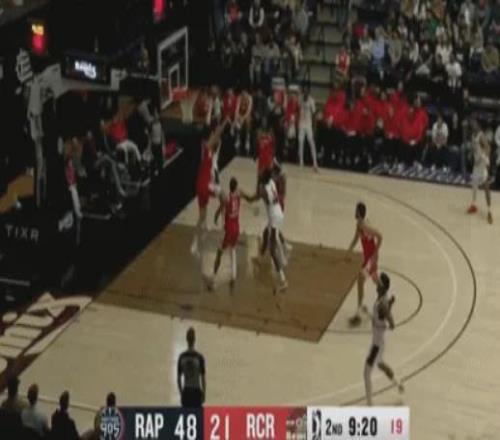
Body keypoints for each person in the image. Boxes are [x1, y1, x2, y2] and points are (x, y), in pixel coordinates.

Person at [364, 273, 404, 406]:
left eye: (379, 282)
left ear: (383, 287)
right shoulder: (382, 299)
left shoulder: (382, 303)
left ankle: (369, 405)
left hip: (376, 345)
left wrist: (387, 311)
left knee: (366, 373)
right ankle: (398, 383)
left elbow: (391, 324)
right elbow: (380, 318)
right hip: (378, 342)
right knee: (380, 365)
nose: (377, 284)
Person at [208, 177, 255, 292]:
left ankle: (213, 280)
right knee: (233, 249)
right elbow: (249, 198)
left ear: (229, 187)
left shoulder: (227, 198)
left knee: (219, 253)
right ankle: (233, 277)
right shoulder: (239, 194)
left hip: (228, 229)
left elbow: (219, 210)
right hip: (236, 228)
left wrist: (216, 217)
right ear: (236, 186)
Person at [191, 119, 229, 258]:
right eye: (212, 135)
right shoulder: (206, 146)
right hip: (205, 184)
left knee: (202, 217)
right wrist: (225, 122)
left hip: (201, 184)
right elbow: (217, 134)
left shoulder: (207, 148)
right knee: (225, 196)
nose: (214, 136)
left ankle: (195, 244)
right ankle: (224, 226)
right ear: (209, 136)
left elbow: (216, 139)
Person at [346, 202, 382, 327]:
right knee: (375, 279)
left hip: (371, 258)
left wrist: (375, 254)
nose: (354, 212)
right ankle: (385, 298)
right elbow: (356, 238)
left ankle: (359, 313)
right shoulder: (359, 224)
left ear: (359, 213)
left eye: (356, 210)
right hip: (367, 257)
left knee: (360, 280)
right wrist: (348, 251)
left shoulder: (365, 226)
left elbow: (380, 236)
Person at [257, 168, 288, 292]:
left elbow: (257, 196)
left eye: (261, 174)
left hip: (274, 217)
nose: (259, 174)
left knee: (272, 249)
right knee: (265, 233)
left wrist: (244, 195)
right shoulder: (271, 182)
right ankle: (260, 257)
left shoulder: (264, 189)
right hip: (278, 213)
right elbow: (277, 177)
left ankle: (283, 280)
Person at [467, 118, 493, 224]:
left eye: (474, 123)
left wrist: (482, 157)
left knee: (486, 187)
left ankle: (489, 211)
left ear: (478, 124)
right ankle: (473, 205)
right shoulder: (473, 135)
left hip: (482, 164)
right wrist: (472, 155)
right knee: (474, 184)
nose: (472, 124)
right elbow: (474, 149)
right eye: (471, 123)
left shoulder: (481, 135)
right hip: (476, 164)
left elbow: (488, 148)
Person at [177, 328, 206, 407]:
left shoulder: (182, 357)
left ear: (186, 339)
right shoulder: (199, 357)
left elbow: (179, 379)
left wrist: (181, 393)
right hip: (196, 392)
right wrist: (204, 392)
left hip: (186, 391)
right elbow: (203, 379)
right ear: (195, 339)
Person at [298, 87, 319, 171]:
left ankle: (315, 162)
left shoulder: (311, 101)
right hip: (301, 123)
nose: (305, 94)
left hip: (308, 124)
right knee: (300, 142)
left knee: (311, 142)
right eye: (304, 92)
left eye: (307, 92)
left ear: (309, 93)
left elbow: (314, 114)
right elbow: (298, 110)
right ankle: (301, 162)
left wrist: (314, 127)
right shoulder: (300, 99)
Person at [234, 89, 253, 154]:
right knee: (237, 122)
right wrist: (237, 117)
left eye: (245, 94)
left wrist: (243, 118)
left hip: (247, 114)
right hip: (240, 114)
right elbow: (237, 109)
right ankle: (238, 139)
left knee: (248, 121)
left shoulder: (250, 98)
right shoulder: (239, 98)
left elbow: (249, 110)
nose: (244, 95)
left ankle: (247, 139)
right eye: (243, 94)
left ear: (247, 94)